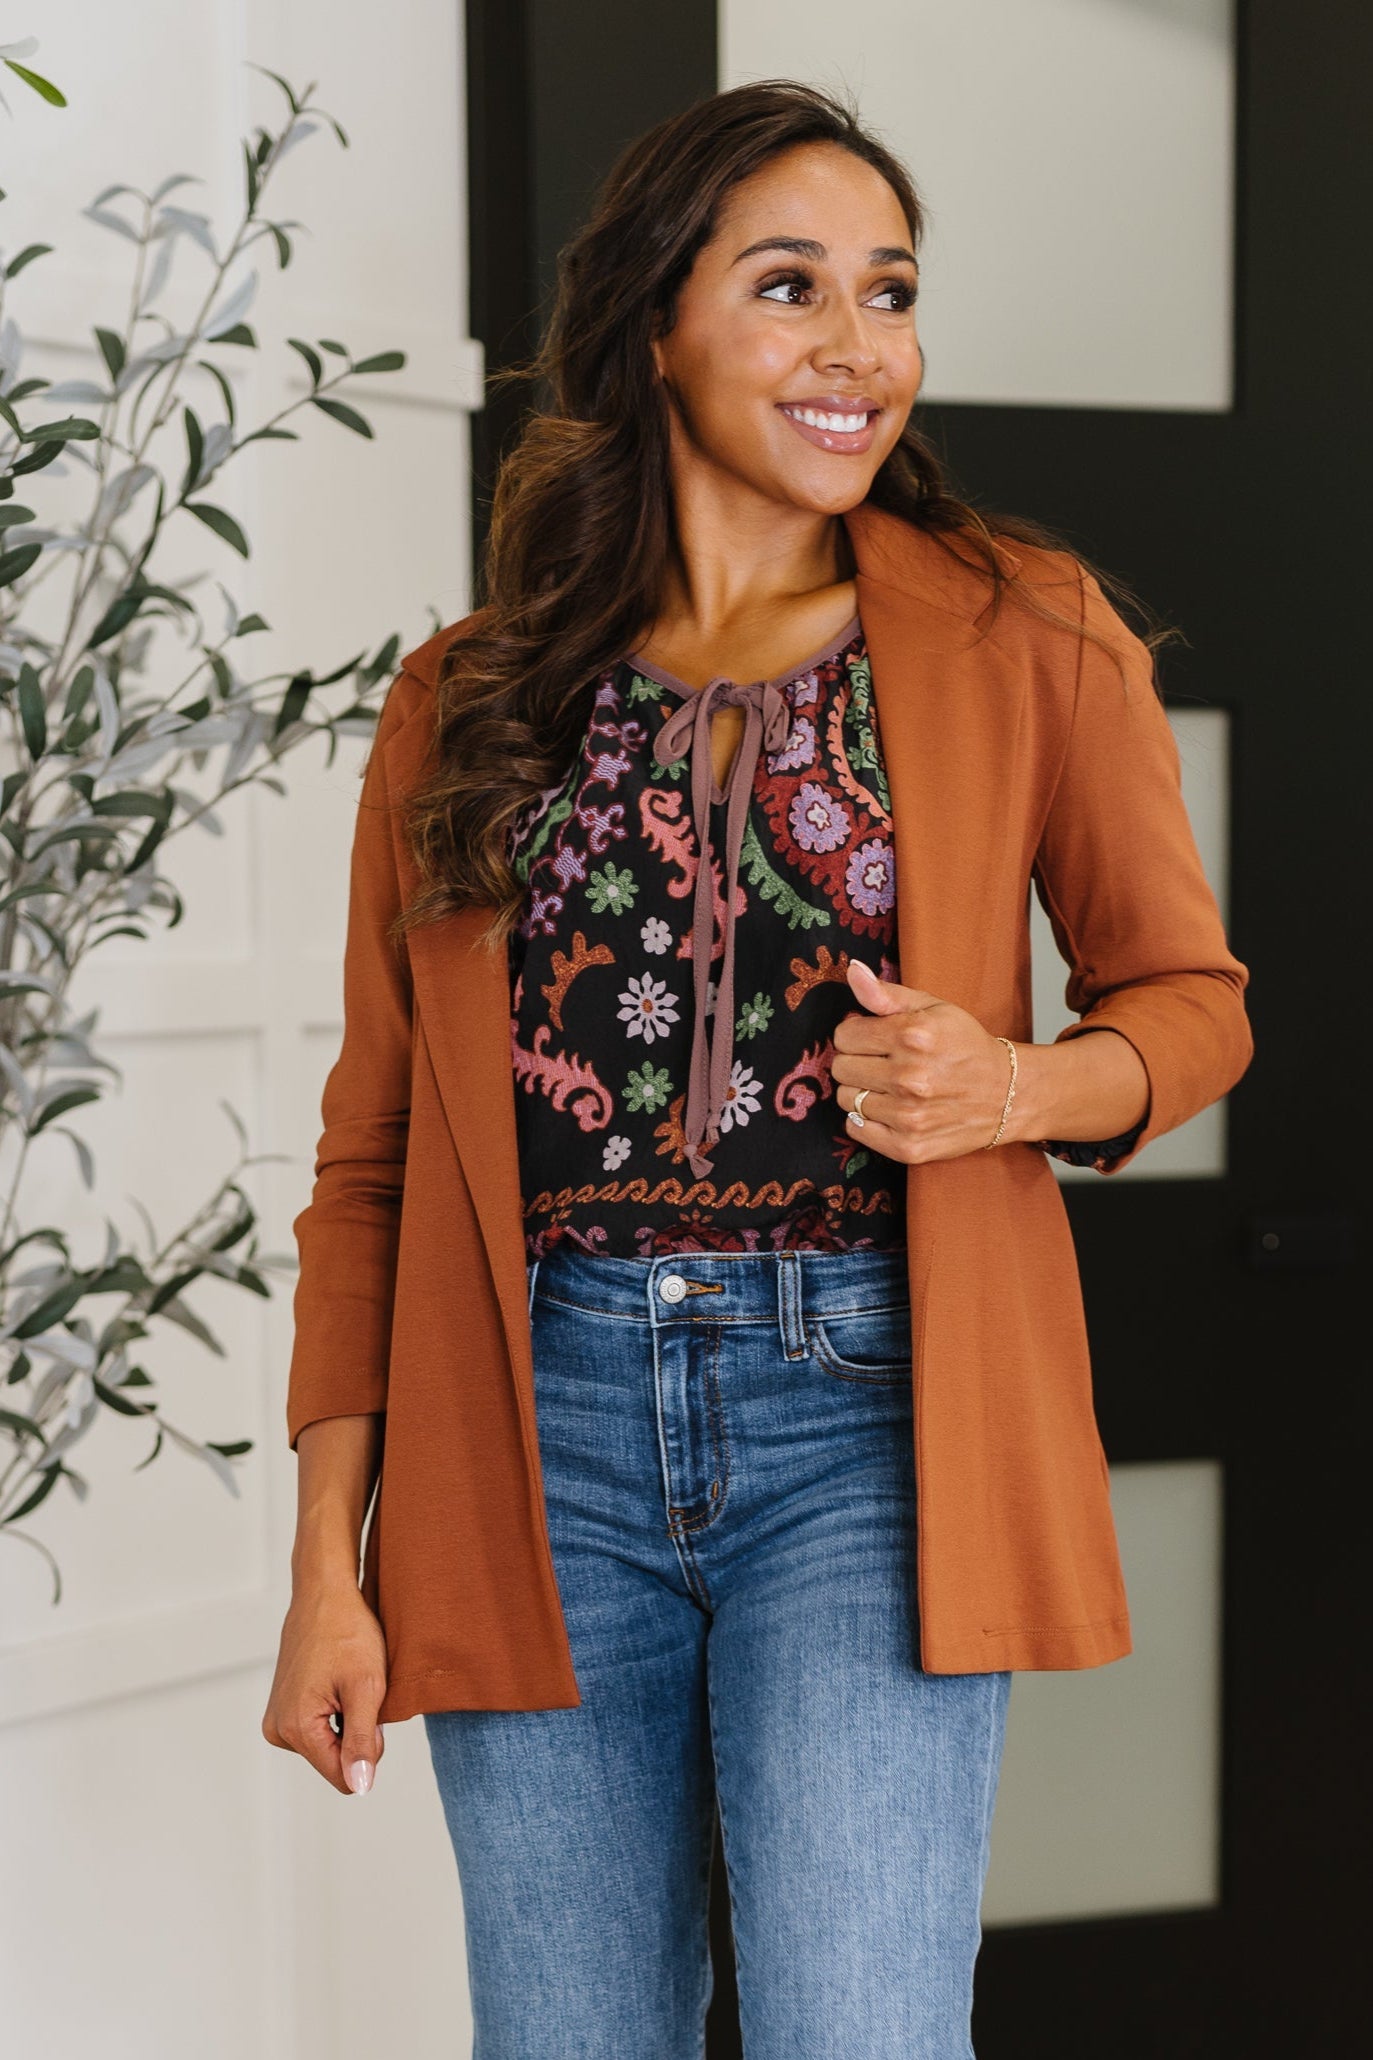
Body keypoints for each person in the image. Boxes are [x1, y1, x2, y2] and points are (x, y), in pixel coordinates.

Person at [262, 79, 1253, 2059]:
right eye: (789, 286)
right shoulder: (463, 699)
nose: (856, 347)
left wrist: (1015, 1088)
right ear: (656, 324)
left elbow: (1190, 1001)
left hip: (865, 1422)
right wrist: (328, 1566)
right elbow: (373, 1156)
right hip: (532, 1433)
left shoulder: (1022, 631)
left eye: (889, 292)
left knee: (858, 2034)